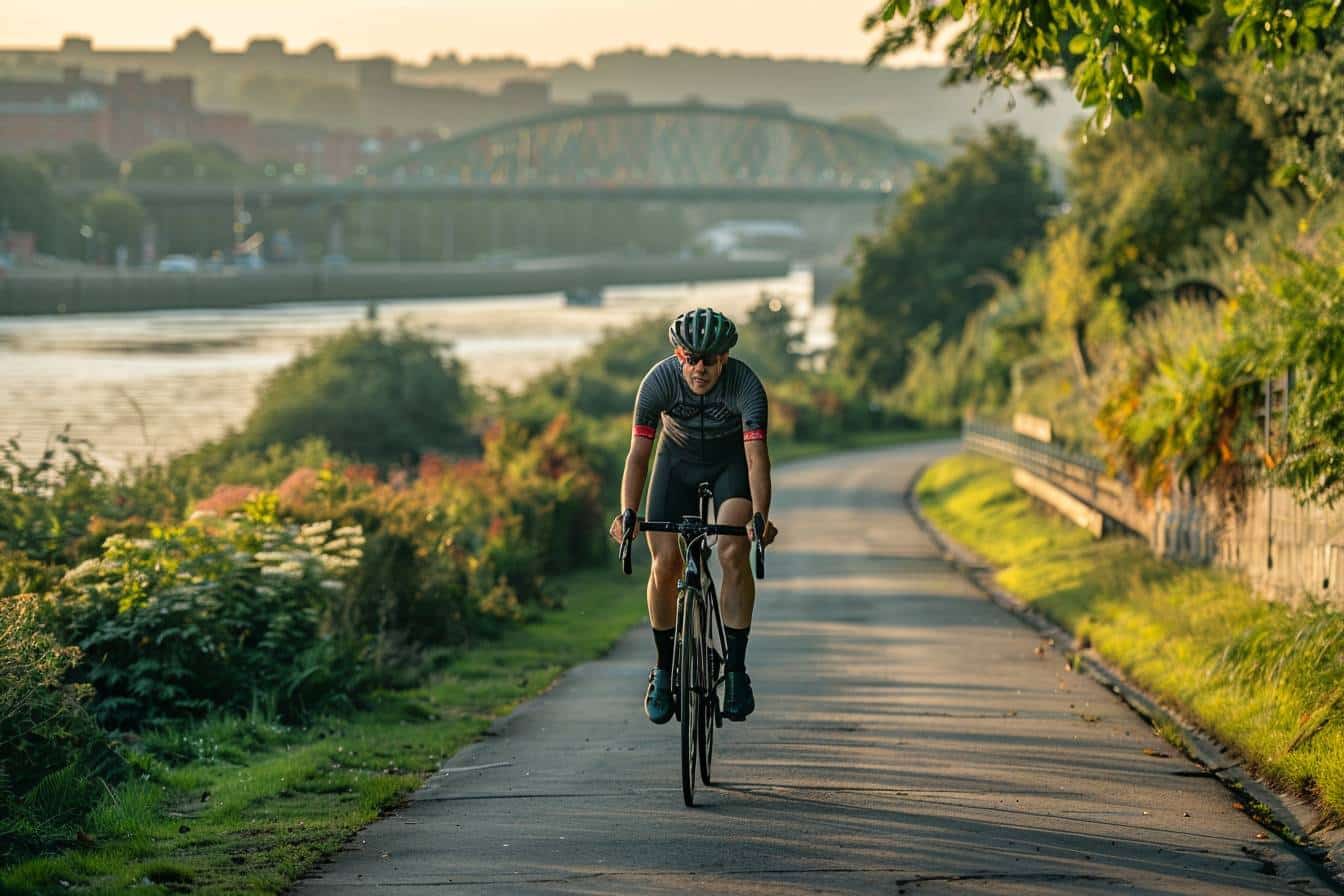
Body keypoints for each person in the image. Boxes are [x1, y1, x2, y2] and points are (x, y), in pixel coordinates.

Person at [608, 307, 779, 724]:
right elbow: (638, 457)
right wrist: (628, 512)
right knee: (665, 563)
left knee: (732, 555)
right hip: (675, 464)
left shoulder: (746, 386)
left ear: (724, 358)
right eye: (690, 357)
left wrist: (759, 516)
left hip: (729, 466)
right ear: (678, 355)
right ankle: (663, 670)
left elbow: (757, 459)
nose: (699, 368)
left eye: (709, 359)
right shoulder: (658, 383)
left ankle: (736, 671)